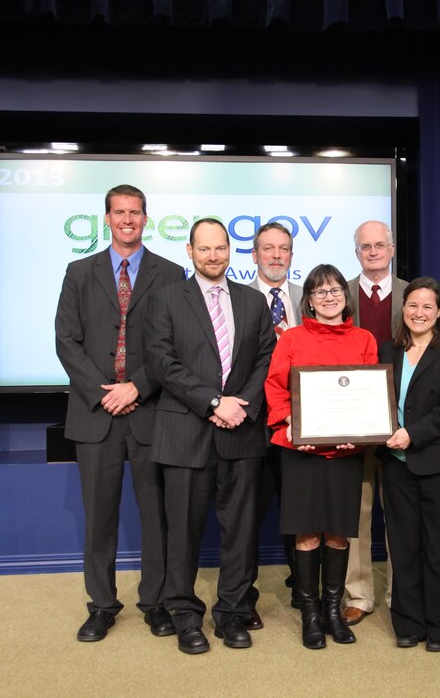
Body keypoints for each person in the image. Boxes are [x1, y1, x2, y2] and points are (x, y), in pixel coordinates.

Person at [54, 184, 184, 643]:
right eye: (119, 212)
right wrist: (103, 391)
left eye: (135, 213)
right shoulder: (78, 272)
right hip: (95, 414)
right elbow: (66, 341)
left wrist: (137, 386)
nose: (127, 219)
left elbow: (176, 346)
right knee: (99, 518)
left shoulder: (171, 274)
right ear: (106, 218)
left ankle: (156, 602)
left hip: (150, 411)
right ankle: (102, 606)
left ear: (146, 218)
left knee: (157, 517)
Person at [146, 218, 277, 655]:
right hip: (185, 432)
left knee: (240, 531)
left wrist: (240, 404)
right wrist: (212, 402)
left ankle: (232, 613)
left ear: (230, 251)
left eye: (221, 248)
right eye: (205, 249)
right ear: (190, 251)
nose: (214, 256)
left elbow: (265, 358)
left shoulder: (253, 301)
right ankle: (185, 616)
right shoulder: (166, 299)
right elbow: (163, 363)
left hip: (241, 431)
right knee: (182, 531)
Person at [264, 264, 379, 649]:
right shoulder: (291, 338)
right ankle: (310, 615)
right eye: (319, 292)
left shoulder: (364, 338)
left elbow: (368, 397)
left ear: (345, 298)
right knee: (308, 531)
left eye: (335, 292)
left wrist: (358, 437)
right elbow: (276, 387)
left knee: (338, 532)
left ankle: (333, 611)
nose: (329, 298)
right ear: (308, 301)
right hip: (302, 451)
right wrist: (293, 425)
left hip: (345, 453)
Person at [381, 278, 440, 652]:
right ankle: (408, 623)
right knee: (404, 548)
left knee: (437, 548)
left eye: (427, 307)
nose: (419, 313)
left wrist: (412, 433)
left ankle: (439, 625)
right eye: (413, 305)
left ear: (438, 312)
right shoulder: (389, 349)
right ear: (404, 309)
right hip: (396, 464)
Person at [343, 220, 408, 626]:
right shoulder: (339, 294)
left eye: (379, 245)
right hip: (352, 418)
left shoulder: (414, 294)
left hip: (402, 418)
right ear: (357, 252)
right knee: (359, 508)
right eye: (365, 246)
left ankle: (402, 589)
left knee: (400, 509)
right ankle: (359, 592)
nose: (372, 252)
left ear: (392, 248)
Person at [245, 222, 304, 624]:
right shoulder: (236, 298)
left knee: (298, 509)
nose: (277, 255)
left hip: (300, 425)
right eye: (268, 248)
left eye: (284, 249)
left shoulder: (308, 297)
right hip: (251, 424)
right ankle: (242, 594)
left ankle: (303, 587)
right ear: (255, 255)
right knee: (247, 513)